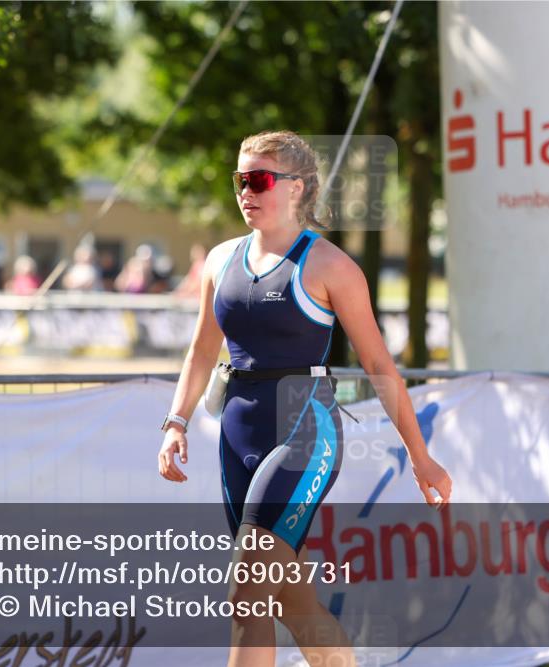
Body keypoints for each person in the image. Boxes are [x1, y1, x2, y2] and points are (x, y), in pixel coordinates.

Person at [156, 130, 453, 667]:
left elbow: (380, 366)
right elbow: (202, 351)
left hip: (304, 432)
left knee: (247, 596)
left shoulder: (329, 265)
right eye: (240, 180)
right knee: (294, 603)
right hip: (237, 434)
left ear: (296, 189)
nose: (246, 191)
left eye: (259, 180)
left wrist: (419, 453)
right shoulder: (221, 260)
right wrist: (175, 421)